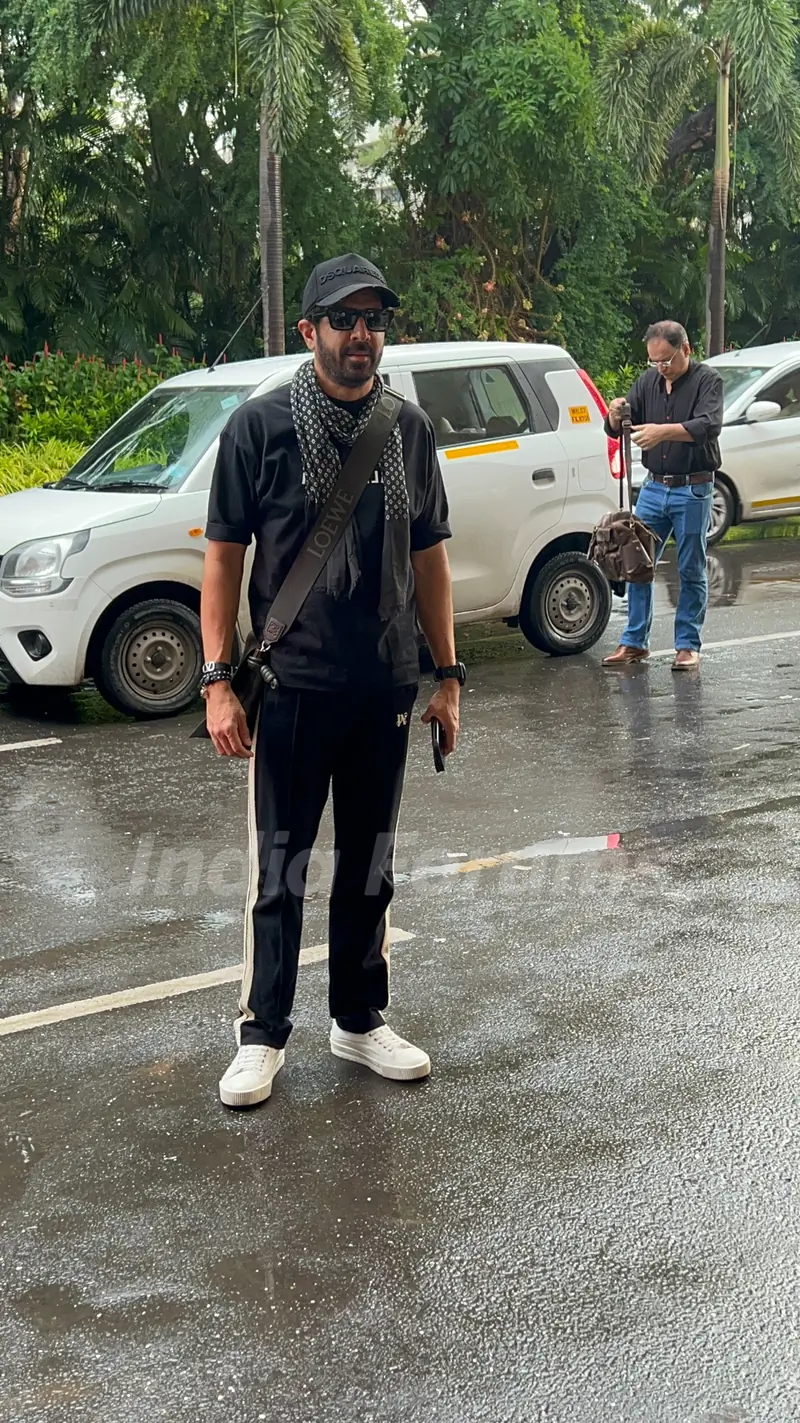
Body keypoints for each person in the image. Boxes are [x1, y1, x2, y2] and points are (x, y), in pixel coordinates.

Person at [199, 252, 463, 1109]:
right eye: (344, 320)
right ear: (308, 329)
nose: (362, 335)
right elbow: (223, 560)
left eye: (375, 319)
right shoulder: (259, 427)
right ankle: (261, 1033)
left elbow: (431, 559)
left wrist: (448, 674)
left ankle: (357, 1017)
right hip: (290, 687)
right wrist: (215, 682)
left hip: (382, 686)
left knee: (369, 865)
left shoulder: (409, 429)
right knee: (278, 869)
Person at [602, 321, 724, 670]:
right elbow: (620, 426)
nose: (661, 368)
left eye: (667, 360)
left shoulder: (707, 381)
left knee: (690, 567)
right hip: (654, 487)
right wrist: (614, 415)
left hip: (694, 487)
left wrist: (664, 432)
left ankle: (687, 645)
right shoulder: (646, 382)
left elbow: (708, 425)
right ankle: (634, 642)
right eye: (654, 361)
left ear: (686, 349)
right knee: (636, 564)